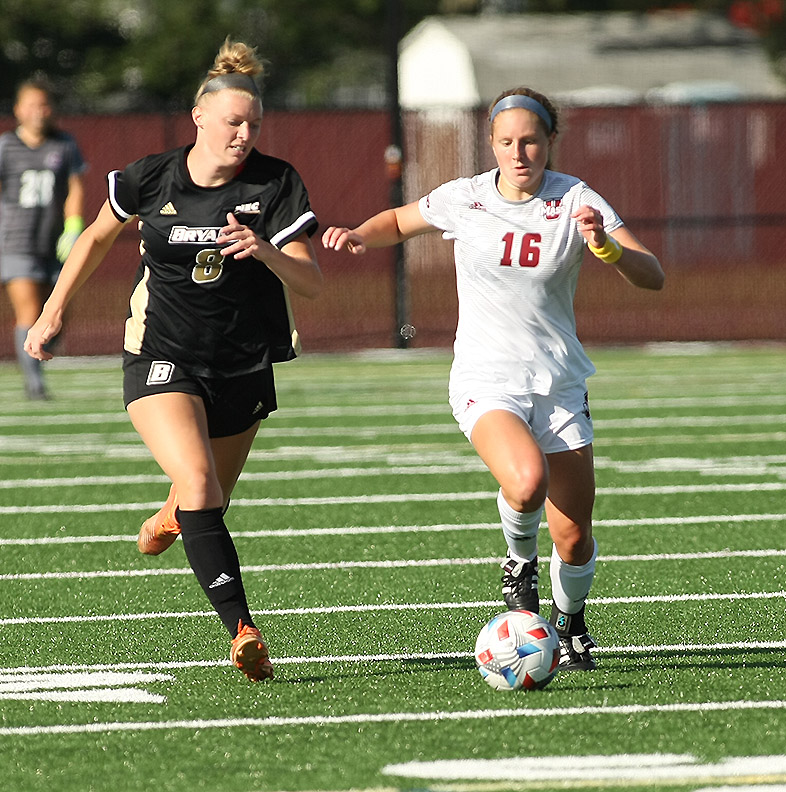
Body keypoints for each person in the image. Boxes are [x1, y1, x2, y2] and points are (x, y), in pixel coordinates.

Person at [322, 87, 664, 671]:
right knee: (525, 482)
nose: (518, 151)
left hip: (557, 383)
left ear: (550, 141)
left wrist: (604, 248)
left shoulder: (577, 199)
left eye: (530, 140)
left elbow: (652, 275)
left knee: (575, 537)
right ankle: (517, 566)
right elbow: (401, 221)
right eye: (506, 141)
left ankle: (572, 620)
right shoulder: (467, 197)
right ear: (492, 144)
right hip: (486, 377)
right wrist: (357, 233)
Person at [25, 39, 323, 681]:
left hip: (244, 362)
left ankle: (170, 516)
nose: (243, 135)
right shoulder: (150, 177)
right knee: (200, 487)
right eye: (232, 123)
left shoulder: (275, 184)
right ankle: (243, 629)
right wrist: (53, 312)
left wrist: (265, 249)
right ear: (199, 118)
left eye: (253, 125)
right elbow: (97, 239)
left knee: (202, 498)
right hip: (160, 355)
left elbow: (312, 283)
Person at [0, 78, 86, 400]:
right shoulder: (6, 146)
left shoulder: (64, 144)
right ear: (19, 110)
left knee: (60, 311)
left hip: (54, 242)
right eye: (32, 105)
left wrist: (74, 225)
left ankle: (38, 354)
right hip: (16, 243)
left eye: (45, 105)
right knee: (30, 310)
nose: (39, 112)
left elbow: (76, 187)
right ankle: (34, 385)